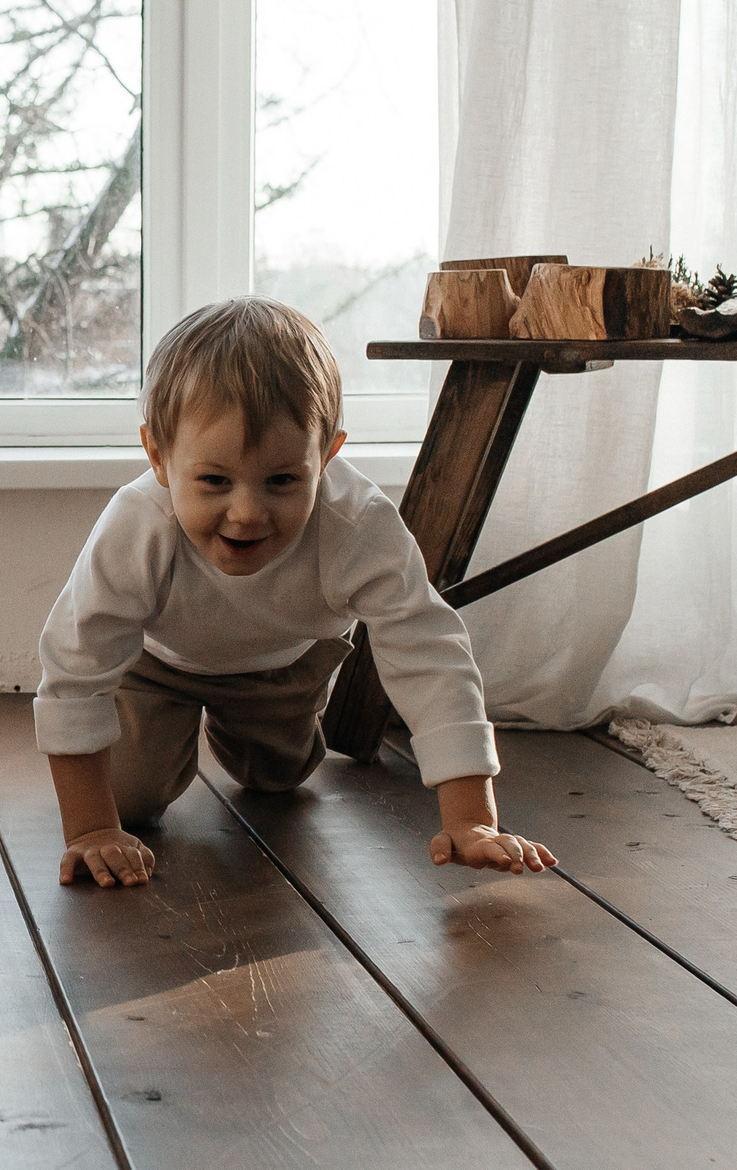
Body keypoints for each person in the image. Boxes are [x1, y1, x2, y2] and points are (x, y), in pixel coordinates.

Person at [31, 296, 556, 888]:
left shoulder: (359, 526)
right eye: (214, 481)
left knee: (279, 778)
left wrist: (473, 819)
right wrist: (91, 830)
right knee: (128, 801)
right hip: (157, 665)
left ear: (327, 456)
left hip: (285, 665)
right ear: (158, 456)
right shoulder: (136, 525)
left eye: (282, 480)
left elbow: (428, 649)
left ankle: (261, 727)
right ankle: (166, 731)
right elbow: (77, 665)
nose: (247, 512)